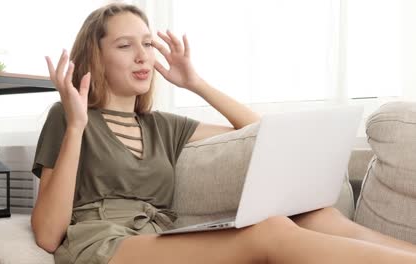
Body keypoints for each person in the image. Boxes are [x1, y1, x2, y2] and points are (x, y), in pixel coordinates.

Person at [30, 3, 416, 264]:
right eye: (125, 45)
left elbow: (261, 133)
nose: (143, 55)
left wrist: (195, 83)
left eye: (147, 44)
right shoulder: (68, 118)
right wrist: (78, 125)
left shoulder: (163, 125)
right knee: (269, 232)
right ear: (97, 56)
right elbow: (49, 234)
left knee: (313, 215)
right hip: (104, 245)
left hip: (161, 234)